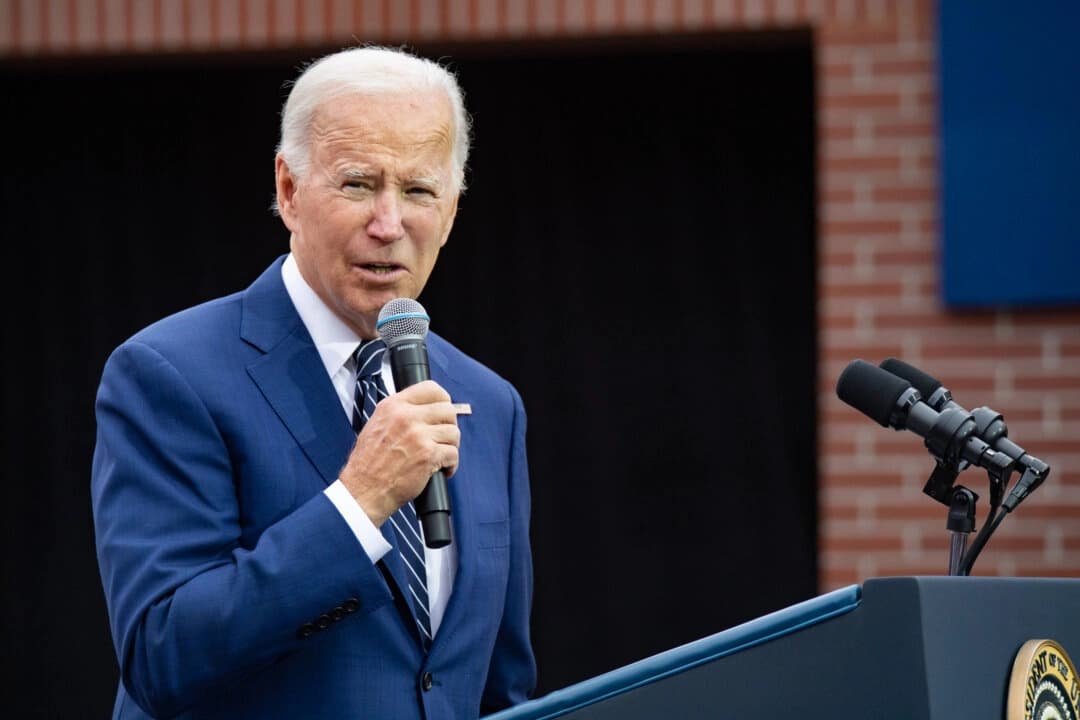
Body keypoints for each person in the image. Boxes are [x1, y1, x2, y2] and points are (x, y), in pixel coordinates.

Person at [91, 44, 536, 719]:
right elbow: (162, 654)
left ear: (451, 208)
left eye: (418, 190)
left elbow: (498, 687)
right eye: (359, 184)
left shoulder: (491, 403)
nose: (388, 225)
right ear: (289, 190)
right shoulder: (169, 373)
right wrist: (360, 502)